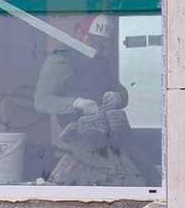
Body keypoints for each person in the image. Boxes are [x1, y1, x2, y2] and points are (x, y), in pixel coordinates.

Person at [33, 15, 143, 186]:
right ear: (79, 33)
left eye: (102, 43)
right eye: (93, 40)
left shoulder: (102, 62)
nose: (98, 47)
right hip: (77, 138)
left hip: (107, 134)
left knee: (137, 169)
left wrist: (118, 97)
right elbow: (41, 101)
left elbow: (120, 90)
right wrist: (75, 103)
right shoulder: (60, 60)